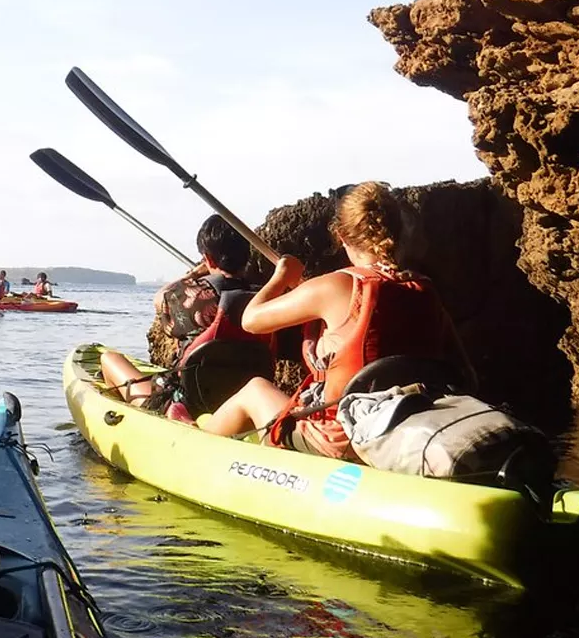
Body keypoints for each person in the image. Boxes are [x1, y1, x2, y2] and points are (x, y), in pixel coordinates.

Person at [196, 181, 474, 455]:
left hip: (343, 437)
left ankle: (192, 449)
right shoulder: (425, 288)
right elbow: (465, 374)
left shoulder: (334, 286)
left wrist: (281, 277)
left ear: (341, 235)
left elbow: (251, 320)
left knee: (255, 390)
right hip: (405, 426)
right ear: (398, 232)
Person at [99, 215, 261, 408]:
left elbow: (159, 299)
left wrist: (193, 274)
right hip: (242, 398)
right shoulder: (263, 301)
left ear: (207, 258)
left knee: (109, 359)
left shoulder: (189, 296)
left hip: (186, 401)